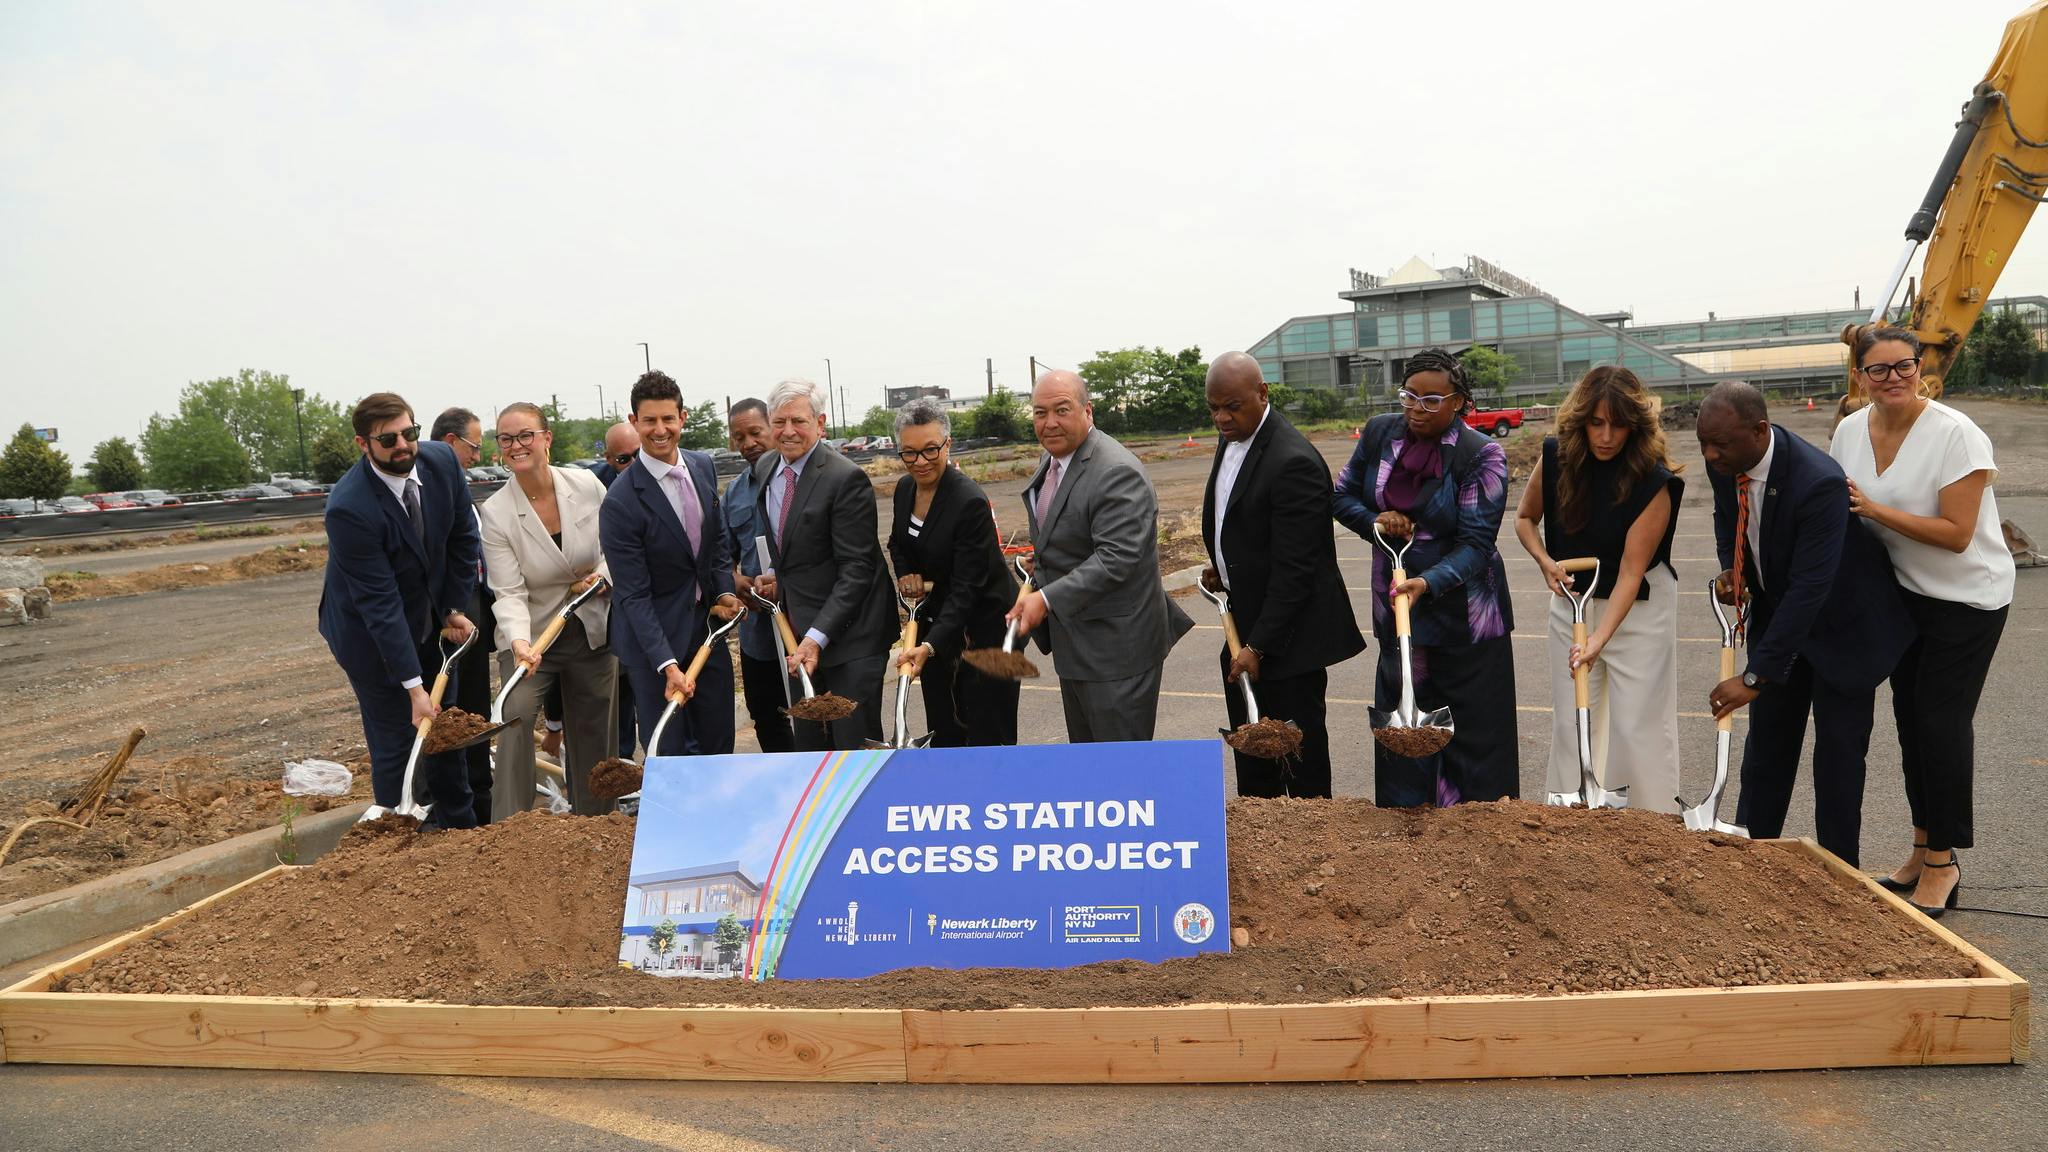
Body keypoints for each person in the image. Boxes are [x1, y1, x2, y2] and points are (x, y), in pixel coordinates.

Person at [1829, 327, 2013, 916]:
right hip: (1903, 594)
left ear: (1920, 367)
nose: (1893, 379)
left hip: (1967, 598)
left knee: (1940, 722)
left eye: (1903, 366)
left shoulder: (1957, 435)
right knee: (1910, 723)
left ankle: (1944, 863)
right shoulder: (1849, 431)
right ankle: (1919, 848)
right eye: (1878, 370)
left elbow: (1959, 535)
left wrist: (1875, 508)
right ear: (1859, 376)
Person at [1696, 380, 1912, 868]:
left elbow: (1810, 589)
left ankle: (1840, 879)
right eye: (1703, 442)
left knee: (1837, 761)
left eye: (1720, 444)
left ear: (1759, 430)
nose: (1709, 454)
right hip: (1784, 617)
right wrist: (1732, 569)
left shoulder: (1818, 481)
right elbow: (1726, 516)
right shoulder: (1725, 460)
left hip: (1845, 628)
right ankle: (1752, 859)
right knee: (1767, 751)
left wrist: (1754, 677)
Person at [1333, 349, 1517, 808]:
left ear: (1458, 402)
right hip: (1398, 610)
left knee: (1473, 743)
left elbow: (1477, 544)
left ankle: (1478, 839)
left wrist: (1426, 583)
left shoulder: (1482, 455)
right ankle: (1408, 843)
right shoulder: (1380, 434)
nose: (1417, 408)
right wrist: (1376, 521)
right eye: (1409, 396)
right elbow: (1341, 495)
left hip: (1466, 622)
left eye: (1431, 400)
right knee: (1405, 736)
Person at [1514, 367, 1685, 813]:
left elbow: (1631, 572)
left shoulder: (1655, 480)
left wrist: (1598, 640)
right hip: (1573, 602)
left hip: (1640, 609)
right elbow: (1525, 519)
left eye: (1619, 424)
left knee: (1637, 726)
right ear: (1580, 420)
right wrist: (1545, 561)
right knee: (1575, 721)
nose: (1607, 436)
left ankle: (1653, 827)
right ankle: (1573, 825)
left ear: (1636, 425)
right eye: (1597, 423)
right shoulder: (1556, 458)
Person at [1198, 352, 1363, 797]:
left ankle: (1314, 852)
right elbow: (1245, 523)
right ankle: (1261, 848)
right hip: (1245, 628)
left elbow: (1297, 570)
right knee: (1254, 758)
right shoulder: (1234, 436)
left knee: (1298, 760)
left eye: (1231, 405)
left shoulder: (1294, 461)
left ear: (1262, 393)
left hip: (1289, 642)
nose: (1221, 417)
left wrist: (1257, 646)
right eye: (1213, 407)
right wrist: (1225, 567)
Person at [317, 392, 480, 827]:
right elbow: (380, 603)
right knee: (397, 735)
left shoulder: (442, 462)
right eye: (388, 440)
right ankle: (399, 832)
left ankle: (459, 827)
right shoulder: (350, 508)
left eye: (410, 433)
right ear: (363, 444)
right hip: (369, 637)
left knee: (447, 726)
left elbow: (464, 538)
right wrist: (412, 687)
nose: (403, 446)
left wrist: (451, 608)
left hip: (428, 616)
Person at [1008, 370, 1193, 742]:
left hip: (1117, 651)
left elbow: (1116, 558)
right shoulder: (1054, 461)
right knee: (1090, 768)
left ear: (1087, 411)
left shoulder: (1115, 470)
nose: (1050, 423)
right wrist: (1041, 563)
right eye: (1040, 413)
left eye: (1062, 410)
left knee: (1120, 774)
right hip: (1077, 644)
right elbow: (1072, 536)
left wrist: (1045, 599)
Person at [479, 403, 617, 817]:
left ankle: (597, 821)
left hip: (590, 624)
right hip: (534, 634)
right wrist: (520, 644)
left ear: (546, 439)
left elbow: (616, 548)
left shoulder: (587, 486)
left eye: (525, 436)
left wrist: (601, 578)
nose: (516, 446)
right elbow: (508, 591)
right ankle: (511, 826)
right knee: (515, 713)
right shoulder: (497, 513)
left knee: (595, 726)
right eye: (506, 439)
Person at [600, 371, 744, 757]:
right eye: (649, 420)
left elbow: (715, 544)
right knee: (670, 753)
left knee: (718, 745)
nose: (660, 429)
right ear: (634, 423)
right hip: (653, 646)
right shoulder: (620, 503)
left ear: (682, 417)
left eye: (668, 418)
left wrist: (726, 592)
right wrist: (667, 665)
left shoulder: (701, 467)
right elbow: (633, 595)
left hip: (704, 631)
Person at [750, 378, 897, 750]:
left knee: (852, 748)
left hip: (854, 638)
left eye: (798, 421)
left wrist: (816, 638)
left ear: (820, 423)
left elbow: (856, 569)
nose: (787, 431)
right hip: (801, 634)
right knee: (811, 745)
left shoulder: (845, 478)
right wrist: (776, 580)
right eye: (779, 422)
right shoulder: (767, 468)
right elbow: (794, 553)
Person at [888, 398, 1022, 746]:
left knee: (987, 730)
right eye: (910, 453)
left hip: (987, 629)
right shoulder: (904, 490)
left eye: (931, 450)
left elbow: (967, 588)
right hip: (941, 624)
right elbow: (897, 544)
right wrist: (906, 575)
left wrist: (929, 647)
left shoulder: (968, 502)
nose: (920, 462)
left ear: (948, 444)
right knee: (946, 727)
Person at [430, 406, 495, 820]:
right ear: (451, 442)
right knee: (450, 717)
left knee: (474, 714)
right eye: (473, 446)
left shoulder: (456, 491)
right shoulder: (429, 494)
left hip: (471, 613)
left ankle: (480, 804)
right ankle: (455, 810)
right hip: (448, 622)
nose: (477, 457)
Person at [722, 398, 795, 753]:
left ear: (773, 428)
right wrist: (734, 579)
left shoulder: (797, 480)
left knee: (813, 708)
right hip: (757, 628)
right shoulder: (734, 492)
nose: (748, 443)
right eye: (740, 437)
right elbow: (722, 553)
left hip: (800, 621)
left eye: (755, 432)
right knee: (766, 711)